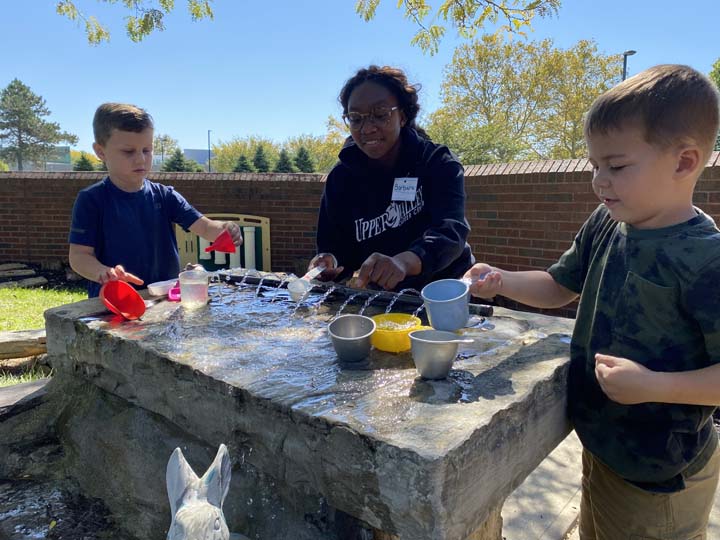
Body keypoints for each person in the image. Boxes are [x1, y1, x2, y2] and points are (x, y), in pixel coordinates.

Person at [464, 64, 720, 539]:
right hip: (606, 448)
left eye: (617, 166)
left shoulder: (706, 259)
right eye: (594, 165)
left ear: (684, 162)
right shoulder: (607, 221)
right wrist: (502, 281)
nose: (599, 182)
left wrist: (653, 385)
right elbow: (560, 286)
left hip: (661, 474)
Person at [310, 65, 474, 291]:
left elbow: (451, 232)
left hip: (445, 291)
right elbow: (333, 244)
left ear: (403, 116)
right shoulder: (341, 177)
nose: (367, 128)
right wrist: (328, 261)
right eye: (355, 118)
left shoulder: (437, 162)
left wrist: (404, 261)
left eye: (380, 115)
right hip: (382, 298)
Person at [69, 103, 242, 297]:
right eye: (128, 151)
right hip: (115, 302)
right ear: (101, 152)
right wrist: (103, 273)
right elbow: (79, 256)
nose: (141, 159)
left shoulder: (165, 196)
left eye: (147, 150)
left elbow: (205, 227)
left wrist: (224, 229)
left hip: (164, 298)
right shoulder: (92, 200)